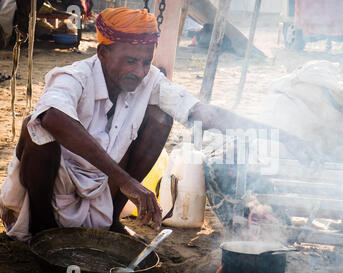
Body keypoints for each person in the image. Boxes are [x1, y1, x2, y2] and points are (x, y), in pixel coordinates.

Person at [0, 7, 320, 242]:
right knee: (37, 126)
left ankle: (112, 218)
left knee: (160, 117)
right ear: (102, 53)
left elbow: (204, 114)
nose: (139, 72)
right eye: (130, 61)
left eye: (146, 61)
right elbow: (53, 118)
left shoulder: (150, 80)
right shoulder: (75, 77)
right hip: (55, 184)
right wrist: (125, 179)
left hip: (105, 188)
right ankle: (42, 230)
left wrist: (281, 136)